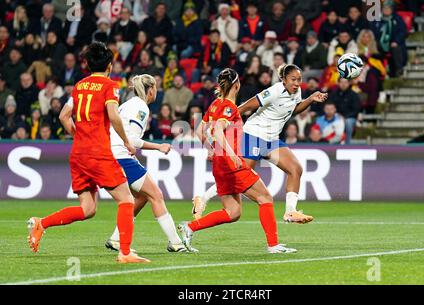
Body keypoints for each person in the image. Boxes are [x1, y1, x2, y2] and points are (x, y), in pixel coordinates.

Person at [27, 42, 149, 263]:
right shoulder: (110, 86)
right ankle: (125, 252)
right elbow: (113, 115)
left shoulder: (80, 85)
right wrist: (126, 141)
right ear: (109, 66)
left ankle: (41, 223)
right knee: (127, 200)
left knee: (88, 208)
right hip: (98, 154)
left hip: (78, 154)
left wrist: (80, 136)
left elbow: (64, 116)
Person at [178, 68, 297, 254]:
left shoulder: (215, 104)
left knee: (233, 212)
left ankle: (190, 228)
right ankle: (273, 245)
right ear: (237, 85)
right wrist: (232, 154)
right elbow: (217, 129)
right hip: (231, 163)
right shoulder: (229, 107)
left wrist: (212, 149)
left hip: (219, 164)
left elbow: (200, 130)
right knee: (265, 198)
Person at [193, 64, 327, 224]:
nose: (297, 83)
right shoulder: (274, 91)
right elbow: (249, 105)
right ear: (283, 79)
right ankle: (203, 198)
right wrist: (227, 118)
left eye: (299, 79)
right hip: (253, 135)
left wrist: (310, 100)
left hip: (272, 139)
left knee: (295, 169)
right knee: (239, 177)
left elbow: (293, 109)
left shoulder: (296, 91)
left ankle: (290, 212)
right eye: (293, 79)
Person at [104, 74, 189, 253]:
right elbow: (133, 140)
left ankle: (116, 238)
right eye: (155, 88)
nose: (156, 91)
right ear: (150, 90)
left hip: (113, 154)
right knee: (156, 195)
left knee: (141, 197)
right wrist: (158, 147)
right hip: (122, 157)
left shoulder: (128, 104)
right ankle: (175, 243)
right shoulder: (141, 107)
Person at [328, 78, 361, 144]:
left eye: (345, 82)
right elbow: (329, 106)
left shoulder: (354, 95)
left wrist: (345, 117)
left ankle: (347, 143)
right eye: (341, 82)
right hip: (335, 116)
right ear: (338, 83)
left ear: (349, 83)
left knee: (348, 122)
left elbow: (356, 110)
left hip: (349, 117)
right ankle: (329, 142)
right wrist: (336, 114)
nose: (343, 84)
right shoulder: (333, 94)